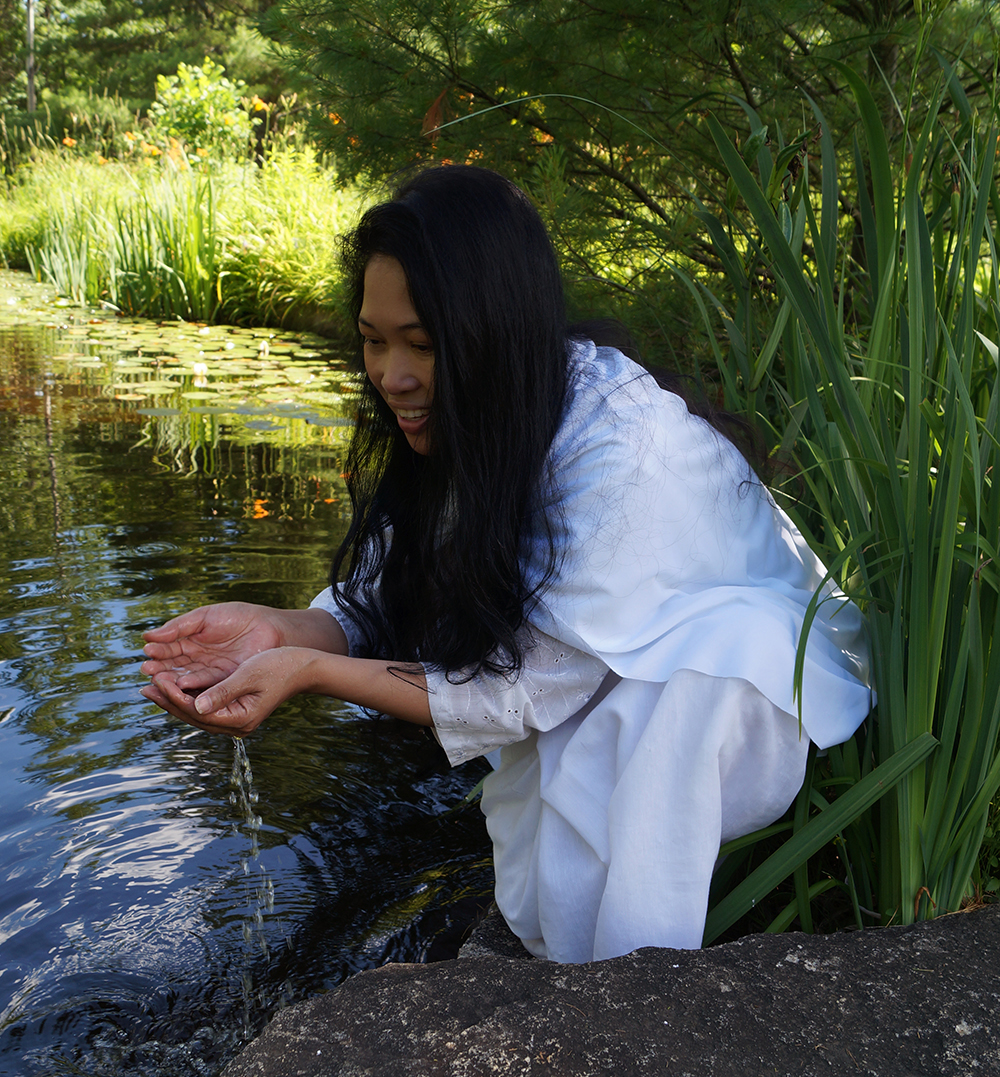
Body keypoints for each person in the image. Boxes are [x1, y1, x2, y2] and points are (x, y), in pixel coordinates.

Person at [141, 165, 871, 963]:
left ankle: (636, 1000)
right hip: (615, 649)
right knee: (567, 797)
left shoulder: (615, 453)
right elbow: (395, 573)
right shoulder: (491, 400)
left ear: (491, 330)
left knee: (644, 727)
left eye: (422, 344)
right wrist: (287, 627)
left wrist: (308, 670)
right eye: (373, 339)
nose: (392, 375)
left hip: (750, 682)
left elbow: (515, 694)